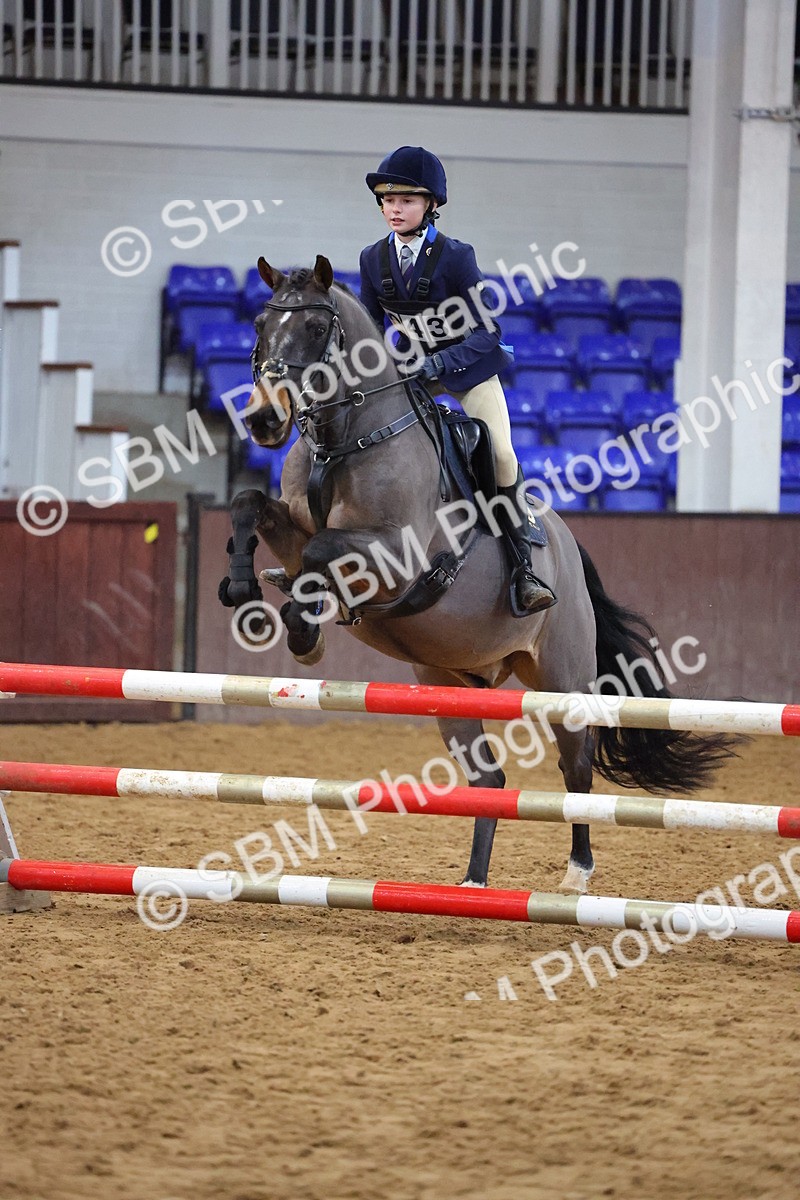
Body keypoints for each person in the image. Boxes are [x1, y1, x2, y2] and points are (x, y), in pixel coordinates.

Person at [359, 145, 556, 614]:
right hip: (412, 375)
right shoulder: (372, 259)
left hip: (468, 371)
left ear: (430, 206)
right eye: (387, 200)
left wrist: (440, 364)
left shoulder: (456, 257)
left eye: (405, 200)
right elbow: (369, 329)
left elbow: (489, 332)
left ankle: (523, 565)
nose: (394, 209)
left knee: (503, 456)